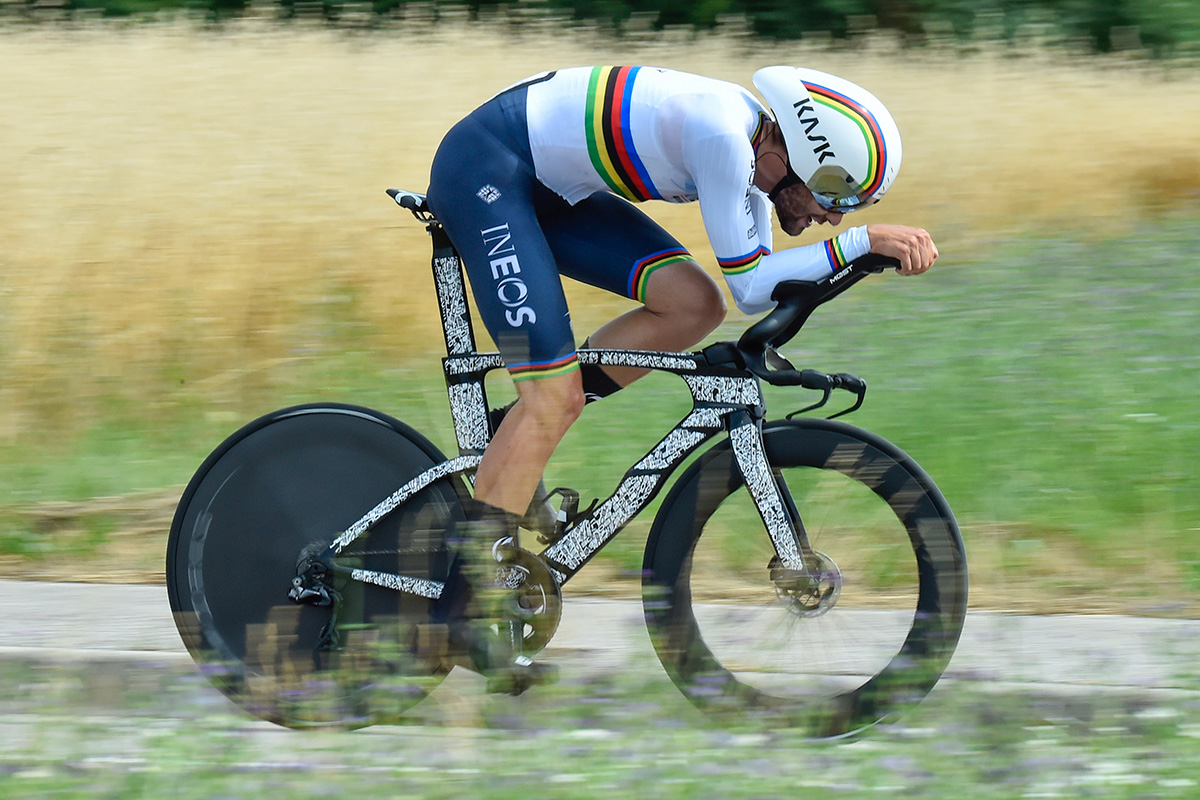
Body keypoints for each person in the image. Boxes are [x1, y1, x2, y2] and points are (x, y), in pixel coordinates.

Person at [424, 65, 938, 693]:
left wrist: (861, 250)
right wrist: (864, 242)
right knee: (552, 401)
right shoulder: (724, 137)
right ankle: (458, 610)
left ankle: (514, 437)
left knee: (695, 305)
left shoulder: (754, 158)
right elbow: (754, 281)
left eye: (848, 208)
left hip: (545, 188)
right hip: (488, 170)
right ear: (803, 157)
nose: (831, 218)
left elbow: (747, 295)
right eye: (835, 199)